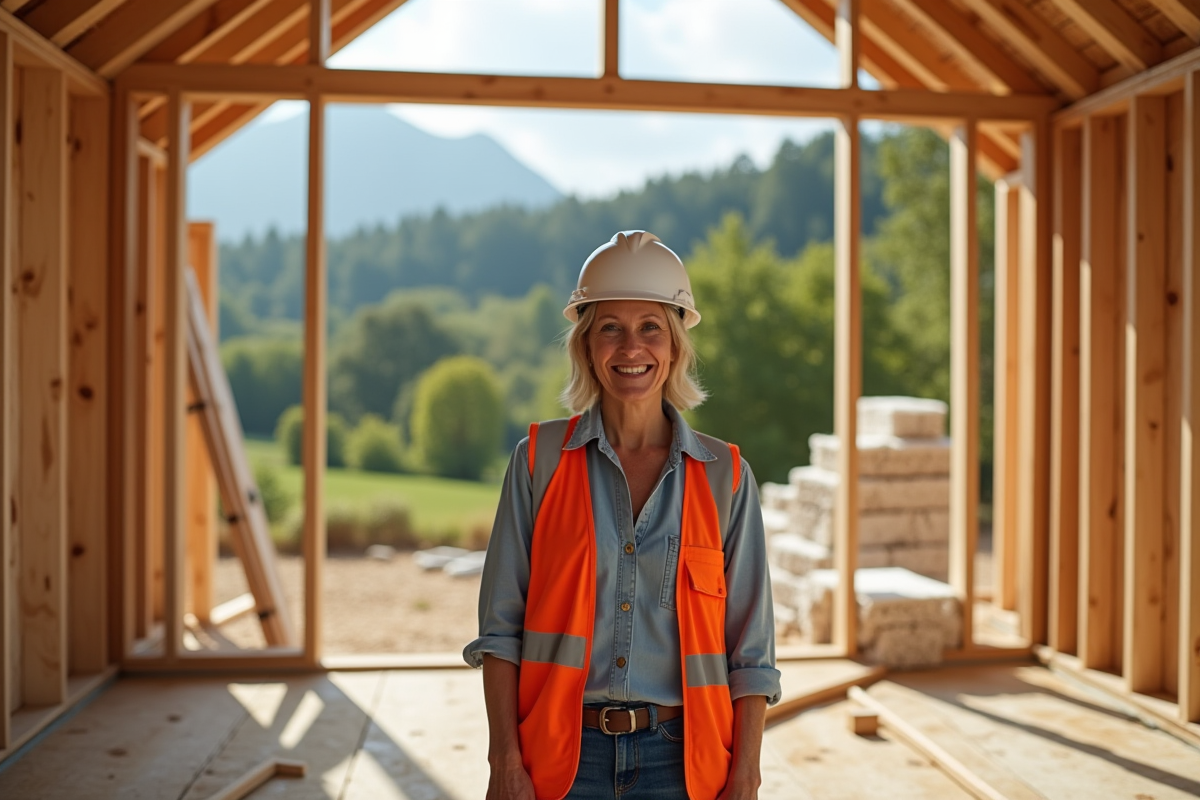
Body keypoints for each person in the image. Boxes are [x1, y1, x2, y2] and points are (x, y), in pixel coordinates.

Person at [463, 231, 780, 800]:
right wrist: (503, 761)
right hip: (560, 761)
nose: (631, 347)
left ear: (677, 344)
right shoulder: (537, 463)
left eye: (650, 327)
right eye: (610, 327)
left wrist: (746, 775)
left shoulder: (726, 476)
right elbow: (500, 633)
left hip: (684, 765)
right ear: (586, 345)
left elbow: (750, 651)